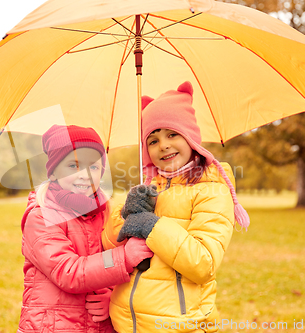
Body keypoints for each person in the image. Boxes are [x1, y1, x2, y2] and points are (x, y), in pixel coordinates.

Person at [102, 82, 250, 333]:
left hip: (178, 325)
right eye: (153, 139)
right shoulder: (148, 188)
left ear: (191, 137)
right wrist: (126, 214)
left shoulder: (211, 189)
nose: (163, 145)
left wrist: (152, 226)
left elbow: (203, 264)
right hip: (126, 324)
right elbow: (107, 250)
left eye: (172, 134)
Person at [18, 124, 154, 333]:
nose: (85, 175)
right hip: (55, 326)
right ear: (53, 172)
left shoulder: (106, 211)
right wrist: (123, 258)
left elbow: (115, 262)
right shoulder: (42, 215)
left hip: (99, 325)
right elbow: (68, 271)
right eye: (73, 166)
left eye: (93, 167)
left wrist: (112, 296)